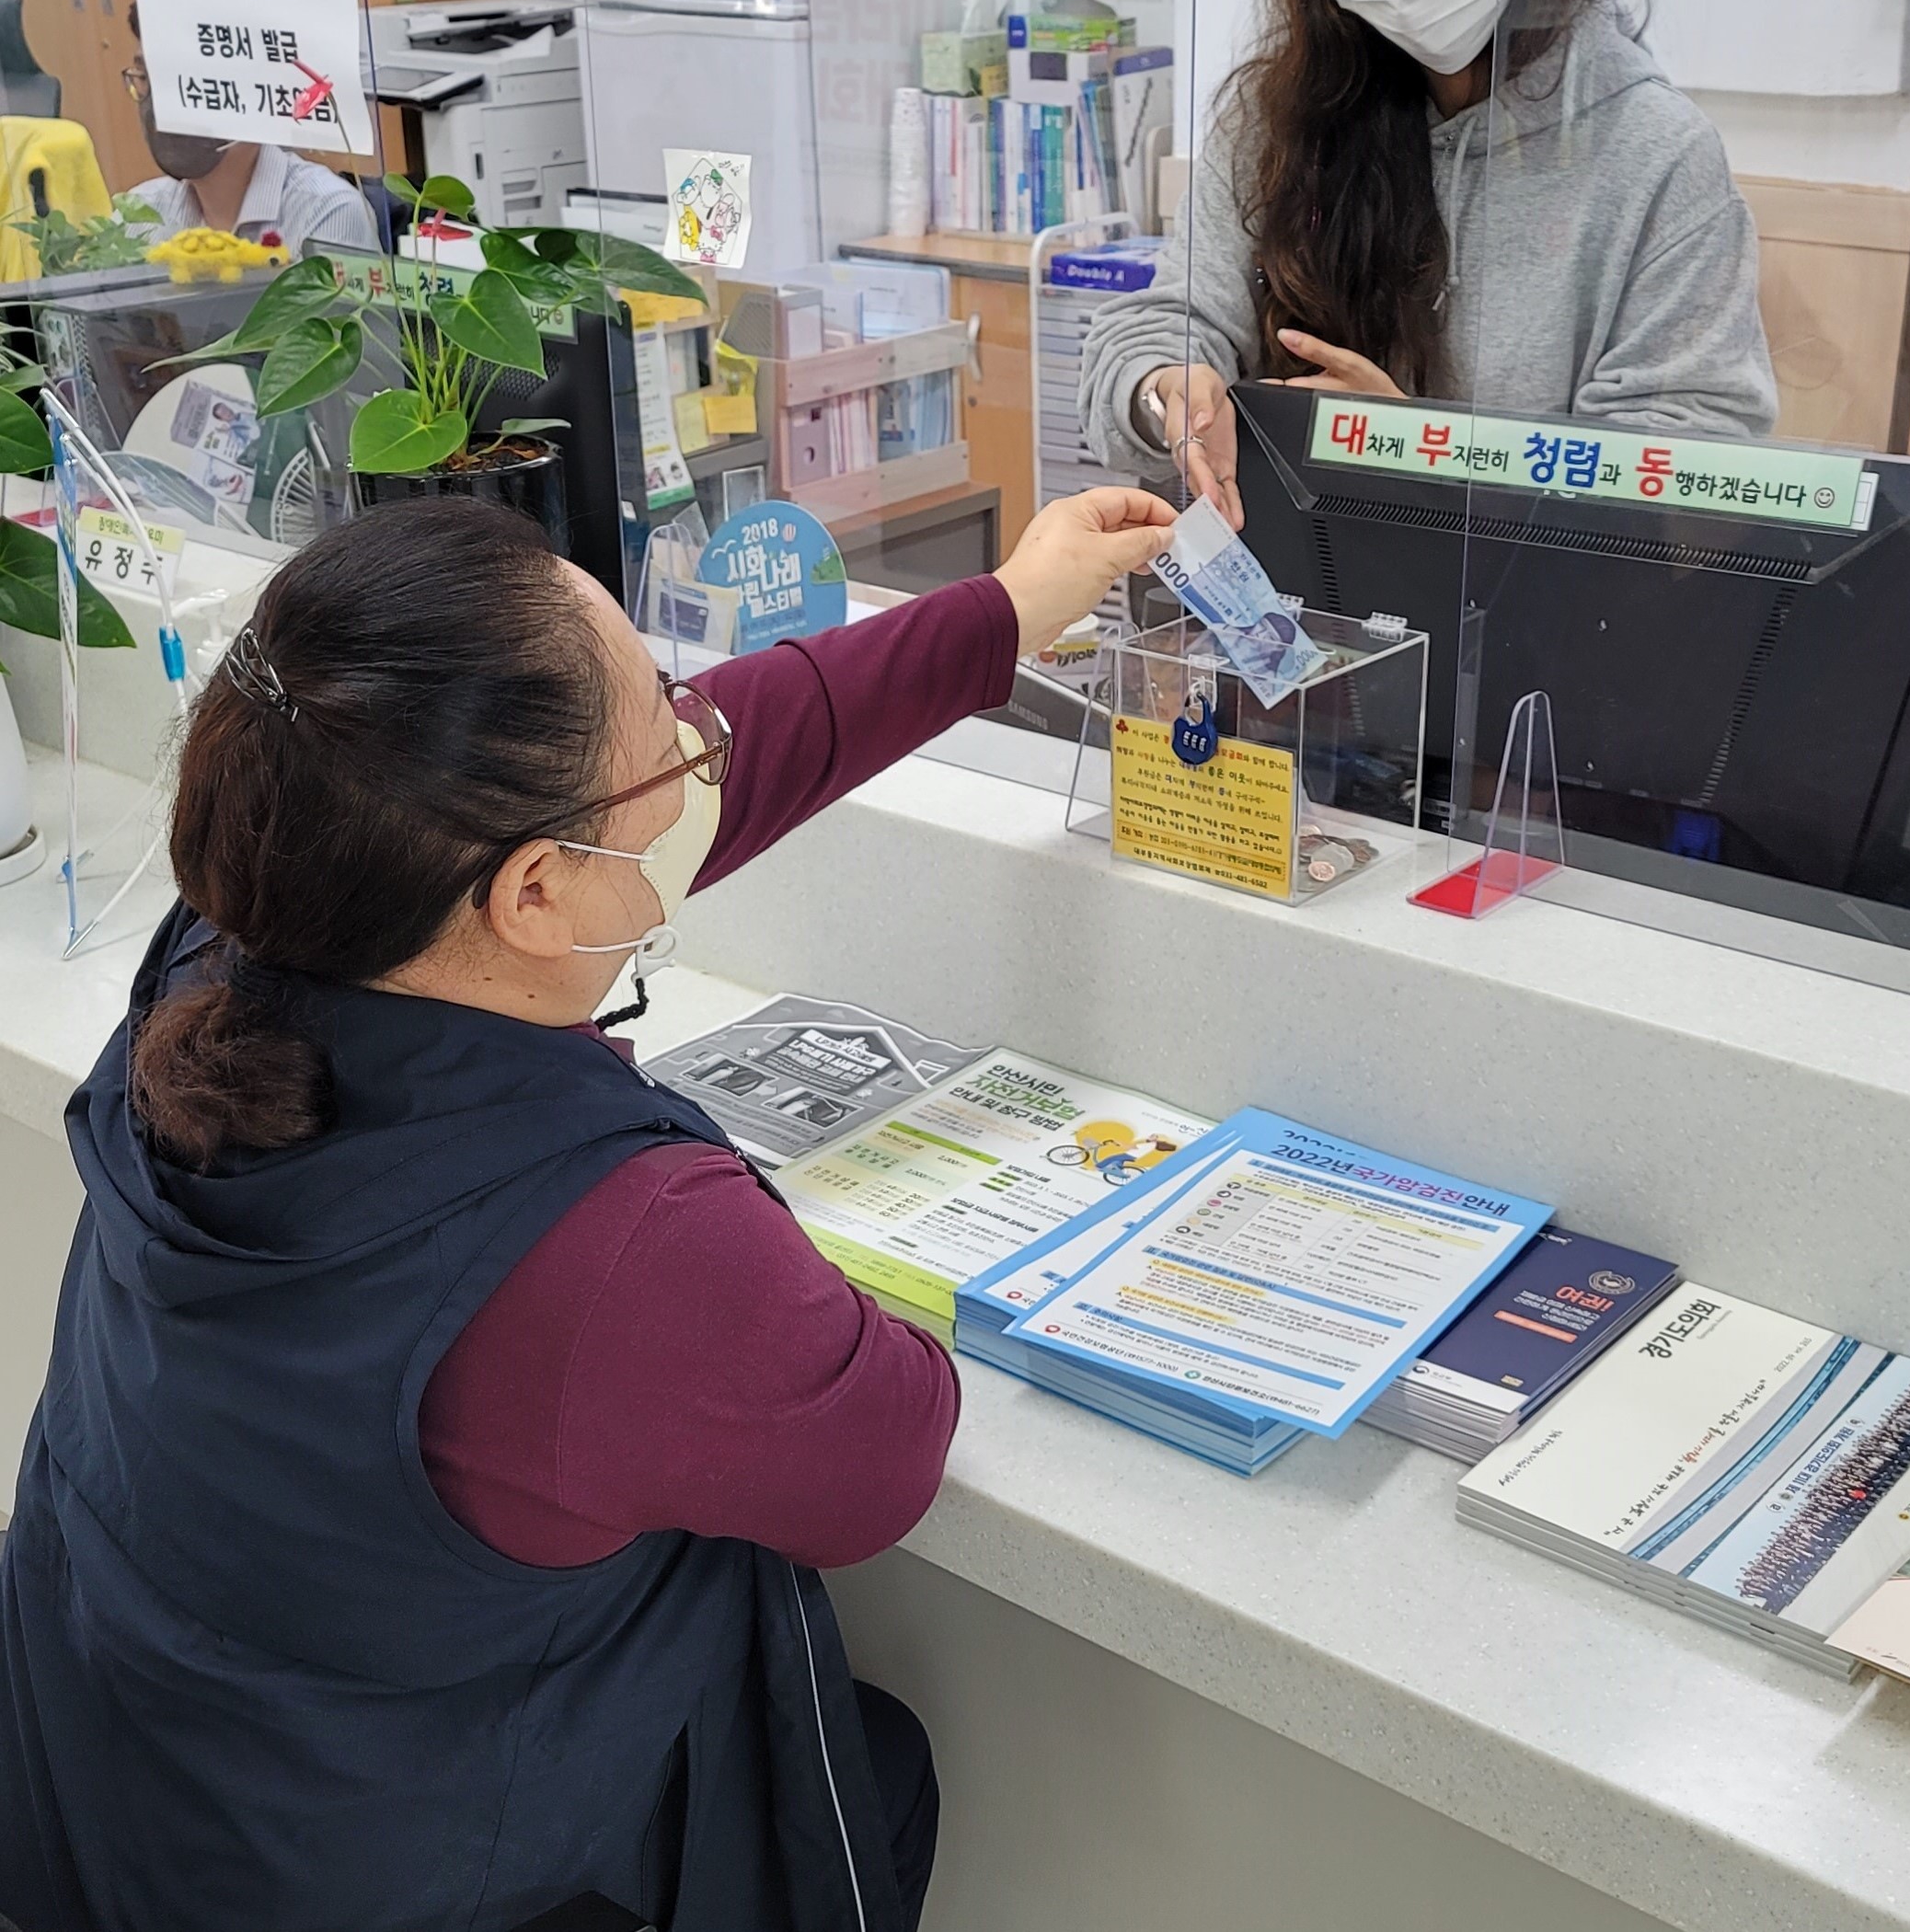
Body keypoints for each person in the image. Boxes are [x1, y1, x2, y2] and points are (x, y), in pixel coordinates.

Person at [0, 484, 1175, 1932]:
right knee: (882, 1776)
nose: (701, 744)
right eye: (666, 727)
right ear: (537, 897)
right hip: (391, 1879)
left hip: (127, 1795)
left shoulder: (246, 921)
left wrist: (1001, 610)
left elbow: (715, 768)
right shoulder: (620, 1249)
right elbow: (884, 1457)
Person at [1079, 0, 1776, 526]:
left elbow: (1686, 461)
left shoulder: (1653, 152)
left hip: (1528, 628)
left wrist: (1417, 453)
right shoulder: (1274, 119)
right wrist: (1166, 394)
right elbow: (1163, 321)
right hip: (1302, 612)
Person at [121, 4, 379, 255]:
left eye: (190, 80)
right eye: (145, 77)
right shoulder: (138, 216)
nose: (163, 105)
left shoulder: (325, 212)